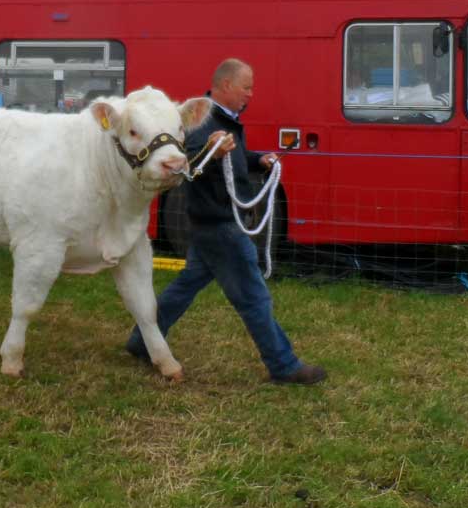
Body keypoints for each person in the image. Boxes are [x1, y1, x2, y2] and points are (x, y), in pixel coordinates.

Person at [125, 58, 326, 385]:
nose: (251, 94)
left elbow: (233, 158)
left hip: (212, 225)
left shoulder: (226, 121)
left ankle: (141, 341)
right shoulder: (203, 125)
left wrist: (258, 160)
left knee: (184, 288)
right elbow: (186, 166)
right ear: (227, 86)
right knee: (253, 297)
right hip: (222, 226)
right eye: (246, 87)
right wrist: (210, 151)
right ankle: (284, 365)